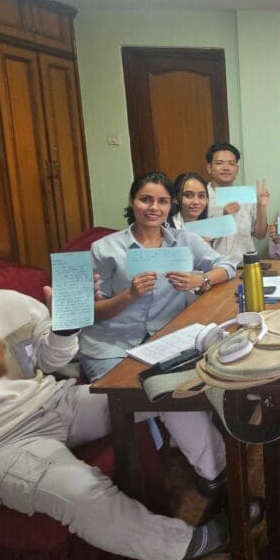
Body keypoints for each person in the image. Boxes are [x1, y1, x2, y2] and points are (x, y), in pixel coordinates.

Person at [0, 203, 231, 560]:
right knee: (80, 492)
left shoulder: (7, 303)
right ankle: (182, 547)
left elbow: (49, 361)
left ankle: (220, 481)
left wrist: (65, 327)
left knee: (160, 390)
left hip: (52, 403)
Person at [78, 172, 234, 502]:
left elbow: (228, 266)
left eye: (162, 201)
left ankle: (216, 477)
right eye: (145, 199)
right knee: (161, 395)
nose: (154, 208)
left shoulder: (183, 239)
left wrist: (200, 280)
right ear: (132, 202)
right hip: (111, 344)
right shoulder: (105, 249)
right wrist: (128, 295)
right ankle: (213, 472)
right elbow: (88, 312)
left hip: (164, 342)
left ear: (170, 205)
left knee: (172, 393)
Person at [204, 142, 270, 265]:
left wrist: (261, 206)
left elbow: (260, 234)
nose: (226, 168)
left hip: (245, 266)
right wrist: (223, 217)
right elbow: (194, 237)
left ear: (237, 169)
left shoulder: (245, 196)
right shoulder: (200, 197)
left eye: (231, 163)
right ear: (209, 168)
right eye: (219, 163)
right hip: (213, 268)